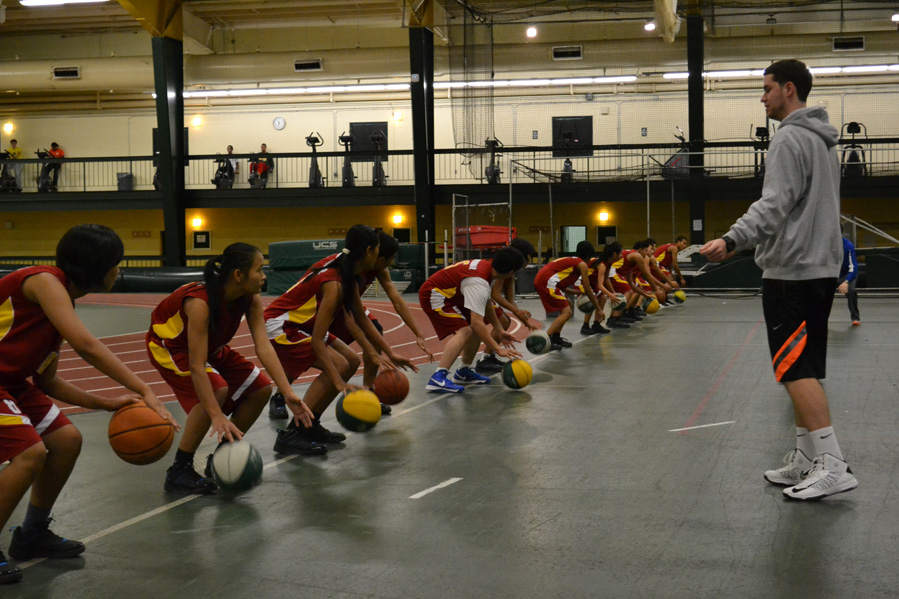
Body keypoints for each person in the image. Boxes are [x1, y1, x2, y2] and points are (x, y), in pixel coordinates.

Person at [700, 59, 857, 500]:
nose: (762, 97)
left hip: (793, 269)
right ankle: (808, 458)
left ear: (789, 89)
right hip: (820, 267)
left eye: (767, 88)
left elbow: (775, 205)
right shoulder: (823, 141)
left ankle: (831, 463)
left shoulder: (789, 138)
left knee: (793, 368)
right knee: (804, 366)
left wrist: (732, 239)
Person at [0, 224, 176, 584]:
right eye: (117, 263)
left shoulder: (58, 303)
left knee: (67, 441)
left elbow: (48, 381)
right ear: (97, 266)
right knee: (30, 454)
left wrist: (108, 402)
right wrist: (144, 389)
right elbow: (87, 345)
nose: (119, 271)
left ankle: (31, 533)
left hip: (12, 384)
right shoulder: (44, 281)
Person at [147, 243, 315, 494]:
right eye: (259, 269)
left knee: (260, 389)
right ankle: (179, 470)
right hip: (171, 347)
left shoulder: (250, 299)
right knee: (217, 390)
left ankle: (220, 459)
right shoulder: (200, 304)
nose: (264, 275)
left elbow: (264, 347)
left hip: (210, 348)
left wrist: (288, 391)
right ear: (238, 275)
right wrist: (216, 415)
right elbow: (196, 365)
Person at [265, 225, 414, 453]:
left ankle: (310, 424)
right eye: (377, 249)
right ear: (368, 252)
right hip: (282, 324)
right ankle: (291, 434)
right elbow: (317, 340)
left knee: (352, 361)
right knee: (340, 365)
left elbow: (359, 321)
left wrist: (388, 352)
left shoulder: (349, 272)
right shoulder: (334, 283)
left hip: (303, 322)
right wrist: (338, 382)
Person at [420, 247, 524, 393]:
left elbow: (487, 303)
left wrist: (499, 330)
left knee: (475, 329)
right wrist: (497, 348)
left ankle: (463, 371)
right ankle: (438, 377)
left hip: (453, 295)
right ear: (510, 272)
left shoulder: (486, 268)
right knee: (466, 330)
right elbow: (476, 323)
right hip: (435, 295)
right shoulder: (478, 281)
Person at [476, 237, 538, 373]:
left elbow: (510, 301)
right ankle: (485, 358)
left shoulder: (512, 269)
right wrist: (517, 311)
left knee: (505, 320)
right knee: (503, 320)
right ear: (525, 256)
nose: (529, 262)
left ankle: (488, 356)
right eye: (529, 257)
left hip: (485, 293)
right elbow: (496, 295)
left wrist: (523, 319)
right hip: (480, 292)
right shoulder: (506, 267)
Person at [533, 241, 605, 351]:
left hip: (545, 280)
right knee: (567, 312)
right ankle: (545, 340)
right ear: (588, 255)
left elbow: (563, 287)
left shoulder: (572, 261)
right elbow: (587, 288)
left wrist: (579, 293)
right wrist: (599, 309)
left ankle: (556, 337)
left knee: (568, 305)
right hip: (547, 282)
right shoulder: (582, 264)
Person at [608, 240, 660, 326]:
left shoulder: (630, 262)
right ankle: (616, 318)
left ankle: (613, 318)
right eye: (645, 251)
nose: (646, 254)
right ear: (640, 250)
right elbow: (646, 275)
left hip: (613, 272)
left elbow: (631, 283)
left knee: (628, 290)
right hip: (611, 272)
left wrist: (646, 295)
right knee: (628, 291)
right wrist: (657, 289)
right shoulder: (637, 255)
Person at [578, 242, 623, 334]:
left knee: (603, 297)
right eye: (621, 253)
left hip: (592, 281)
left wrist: (613, 293)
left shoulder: (609, 262)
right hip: (583, 280)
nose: (622, 255)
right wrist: (611, 295)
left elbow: (606, 279)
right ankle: (585, 325)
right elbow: (600, 285)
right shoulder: (602, 265)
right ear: (615, 254)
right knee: (592, 299)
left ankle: (596, 324)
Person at [838, 231, 860, 326]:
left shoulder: (848, 245)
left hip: (847, 274)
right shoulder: (826, 245)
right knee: (821, 293)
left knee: (851, 292)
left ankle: (855, 318)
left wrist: (846, 282)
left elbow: (853, 266)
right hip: (832, 274)